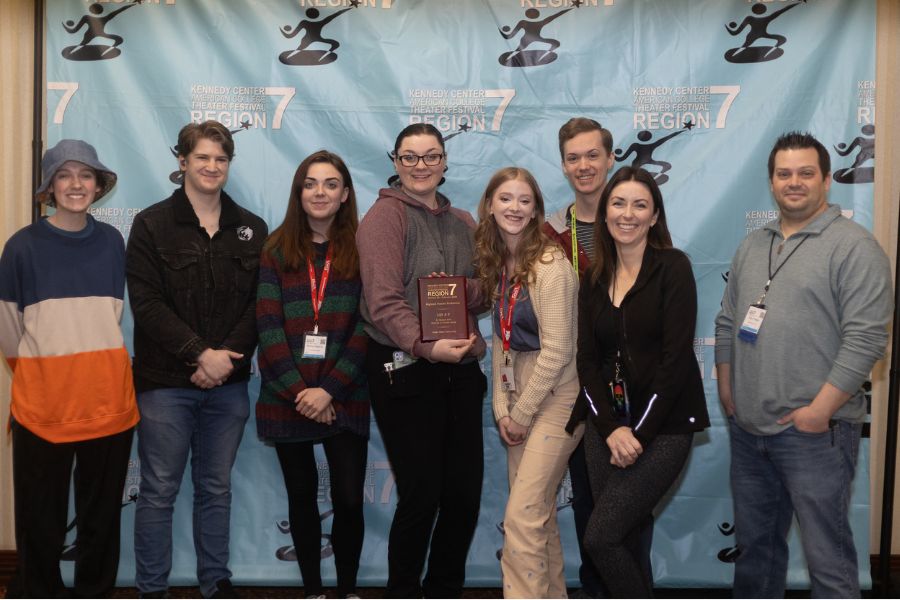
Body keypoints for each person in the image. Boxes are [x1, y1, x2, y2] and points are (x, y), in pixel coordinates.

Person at [715, 131, 891, 598]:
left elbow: (867, 338)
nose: (794, 182)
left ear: (827, 181)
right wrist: (729, 391)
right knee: (756, 555)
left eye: (806, 173)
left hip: (815, 434)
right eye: (784, 173)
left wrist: (819, 411)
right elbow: (728, 320)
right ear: (771, 182)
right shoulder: (754, 245)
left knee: (827, 561)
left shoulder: (854, 247)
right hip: (750, 431)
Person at [126, 120, 267, 599]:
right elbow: (146, 305)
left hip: (228, 384)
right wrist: (200, 354)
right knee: (159, 490)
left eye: (221, 159)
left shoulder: (252, 229)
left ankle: (215, 581)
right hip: (165, 383)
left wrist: (223, 361)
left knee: (216, 489)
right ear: (182, 162)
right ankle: (151, 588)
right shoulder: (150, 224)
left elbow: (258, 306)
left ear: (229, 165)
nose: (212, 166)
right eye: (202, 157)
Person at [0, 139, 139, 598]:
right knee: (40, 523)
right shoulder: (20, 247)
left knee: (101, 523)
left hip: (109, 405)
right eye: (64, 175)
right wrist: (46, 377)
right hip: (43, 409)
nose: (75, 184)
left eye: (85, 175)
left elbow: (108, 317)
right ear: (49, 187)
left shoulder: (113, 242)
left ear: (98, 185)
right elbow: (8, 331)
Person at [356, 123, 487, 598]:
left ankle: (444, 588)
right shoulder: (383, 220)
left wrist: (454, 289)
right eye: (409, 157)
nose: (420, 166)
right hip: (404, 371)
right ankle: (404, 590)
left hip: (461, 370)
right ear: (395, 162)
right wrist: (424, 345)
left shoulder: (466, 223)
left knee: (463, 495)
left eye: (431, 156)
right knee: (421, 494)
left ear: (445, 162)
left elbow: (485, 290)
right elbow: (385, 302)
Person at [567, 166, 709, 598]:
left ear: (654, 216)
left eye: (639, 205)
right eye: (618, 203)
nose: (627, 214)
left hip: (661, 428)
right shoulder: (592, 279)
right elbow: (587, 361)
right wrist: (611, 429)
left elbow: (675, 360)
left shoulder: (673, 267)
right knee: (622, 539)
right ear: (605, 213)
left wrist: (637, 435)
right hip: (606, 428)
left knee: (601, 537)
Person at [544, 117, 652, 597]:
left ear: (612, 159)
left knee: (630, 509)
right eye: (573, 157)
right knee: (589, 506)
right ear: (564, 165)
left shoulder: (634, 222)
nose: (584, 166)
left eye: (593, 155)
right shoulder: (549, 233)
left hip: (633, 390)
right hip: (575, 386)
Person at [256, 150, 369, 599]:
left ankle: (344, 591)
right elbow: (267, 326)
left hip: (346, 393)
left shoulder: (363, 249)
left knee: (348, 499)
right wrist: (302, 392)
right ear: (298, 192)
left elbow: (368, 326)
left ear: (345, 195)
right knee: (301, 498)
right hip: (289, 397)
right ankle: (312, 591)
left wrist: (329, 391)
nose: (319, 192)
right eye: (310, 183)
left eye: (330, 184)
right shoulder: (275, 249)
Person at [474, 167, 583, 598]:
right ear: (489, 206)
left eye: (524, 200)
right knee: (537, 514)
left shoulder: (551, 264)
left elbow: (558, 351)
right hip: (518, 385)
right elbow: (501, 338)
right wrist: (502, 405)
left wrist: (519, 411)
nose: (514, 208)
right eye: (505, 199)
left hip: (556, 392)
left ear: (536, 209)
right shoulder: (501, 261)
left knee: (521, 516)